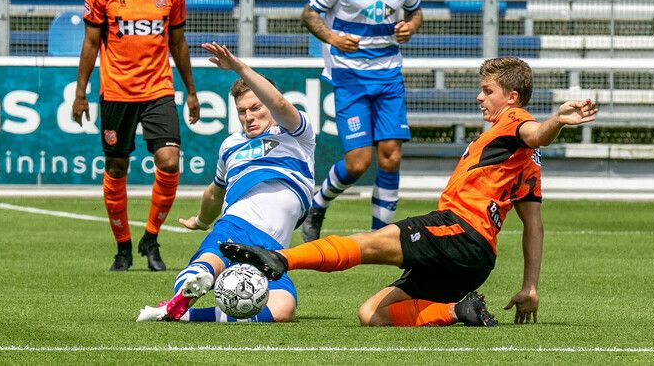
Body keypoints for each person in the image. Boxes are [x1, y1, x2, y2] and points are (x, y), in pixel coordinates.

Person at [221, 57, 598, 327]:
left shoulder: (516, 122)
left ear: (512, 97)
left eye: (488, 91)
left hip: (459, 230)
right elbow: (534, 225)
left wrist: (557, 122)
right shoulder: (528, 159)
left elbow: (535, 132)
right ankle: (458, 311)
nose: (480, 98)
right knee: (372, 314)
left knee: (369, 243)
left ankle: (280, 259)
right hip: (476, 259)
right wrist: (529, 287)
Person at [136, 41, 315, 323]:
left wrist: (238, 67)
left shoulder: (296, 133)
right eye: (242, 111)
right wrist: (201, 220)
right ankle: (199, 277)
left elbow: (279, 103)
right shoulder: (231, 145)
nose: (249, 116)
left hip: (272, 250)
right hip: (237, 223)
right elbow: (215, 191)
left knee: (283, 309)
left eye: (255, 107)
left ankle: (183, 314)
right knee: (207, 264)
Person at [72, 0, 200, 272]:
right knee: (116, 166)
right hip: (116, 92)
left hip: (158, 89)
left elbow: (177, 43)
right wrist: (80, 93)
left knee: (170, 162)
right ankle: (123, 247)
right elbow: (91, 43)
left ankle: (152, 238)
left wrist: (190, 91)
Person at [300, 0, 423, 242]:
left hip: (389, 75)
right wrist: (333, 37)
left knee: (391, 157)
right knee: (357, 163)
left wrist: (409, 27)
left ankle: (381, 237)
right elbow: (310, 14)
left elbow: (415, 12)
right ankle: (318, 204)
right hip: (350, 77)